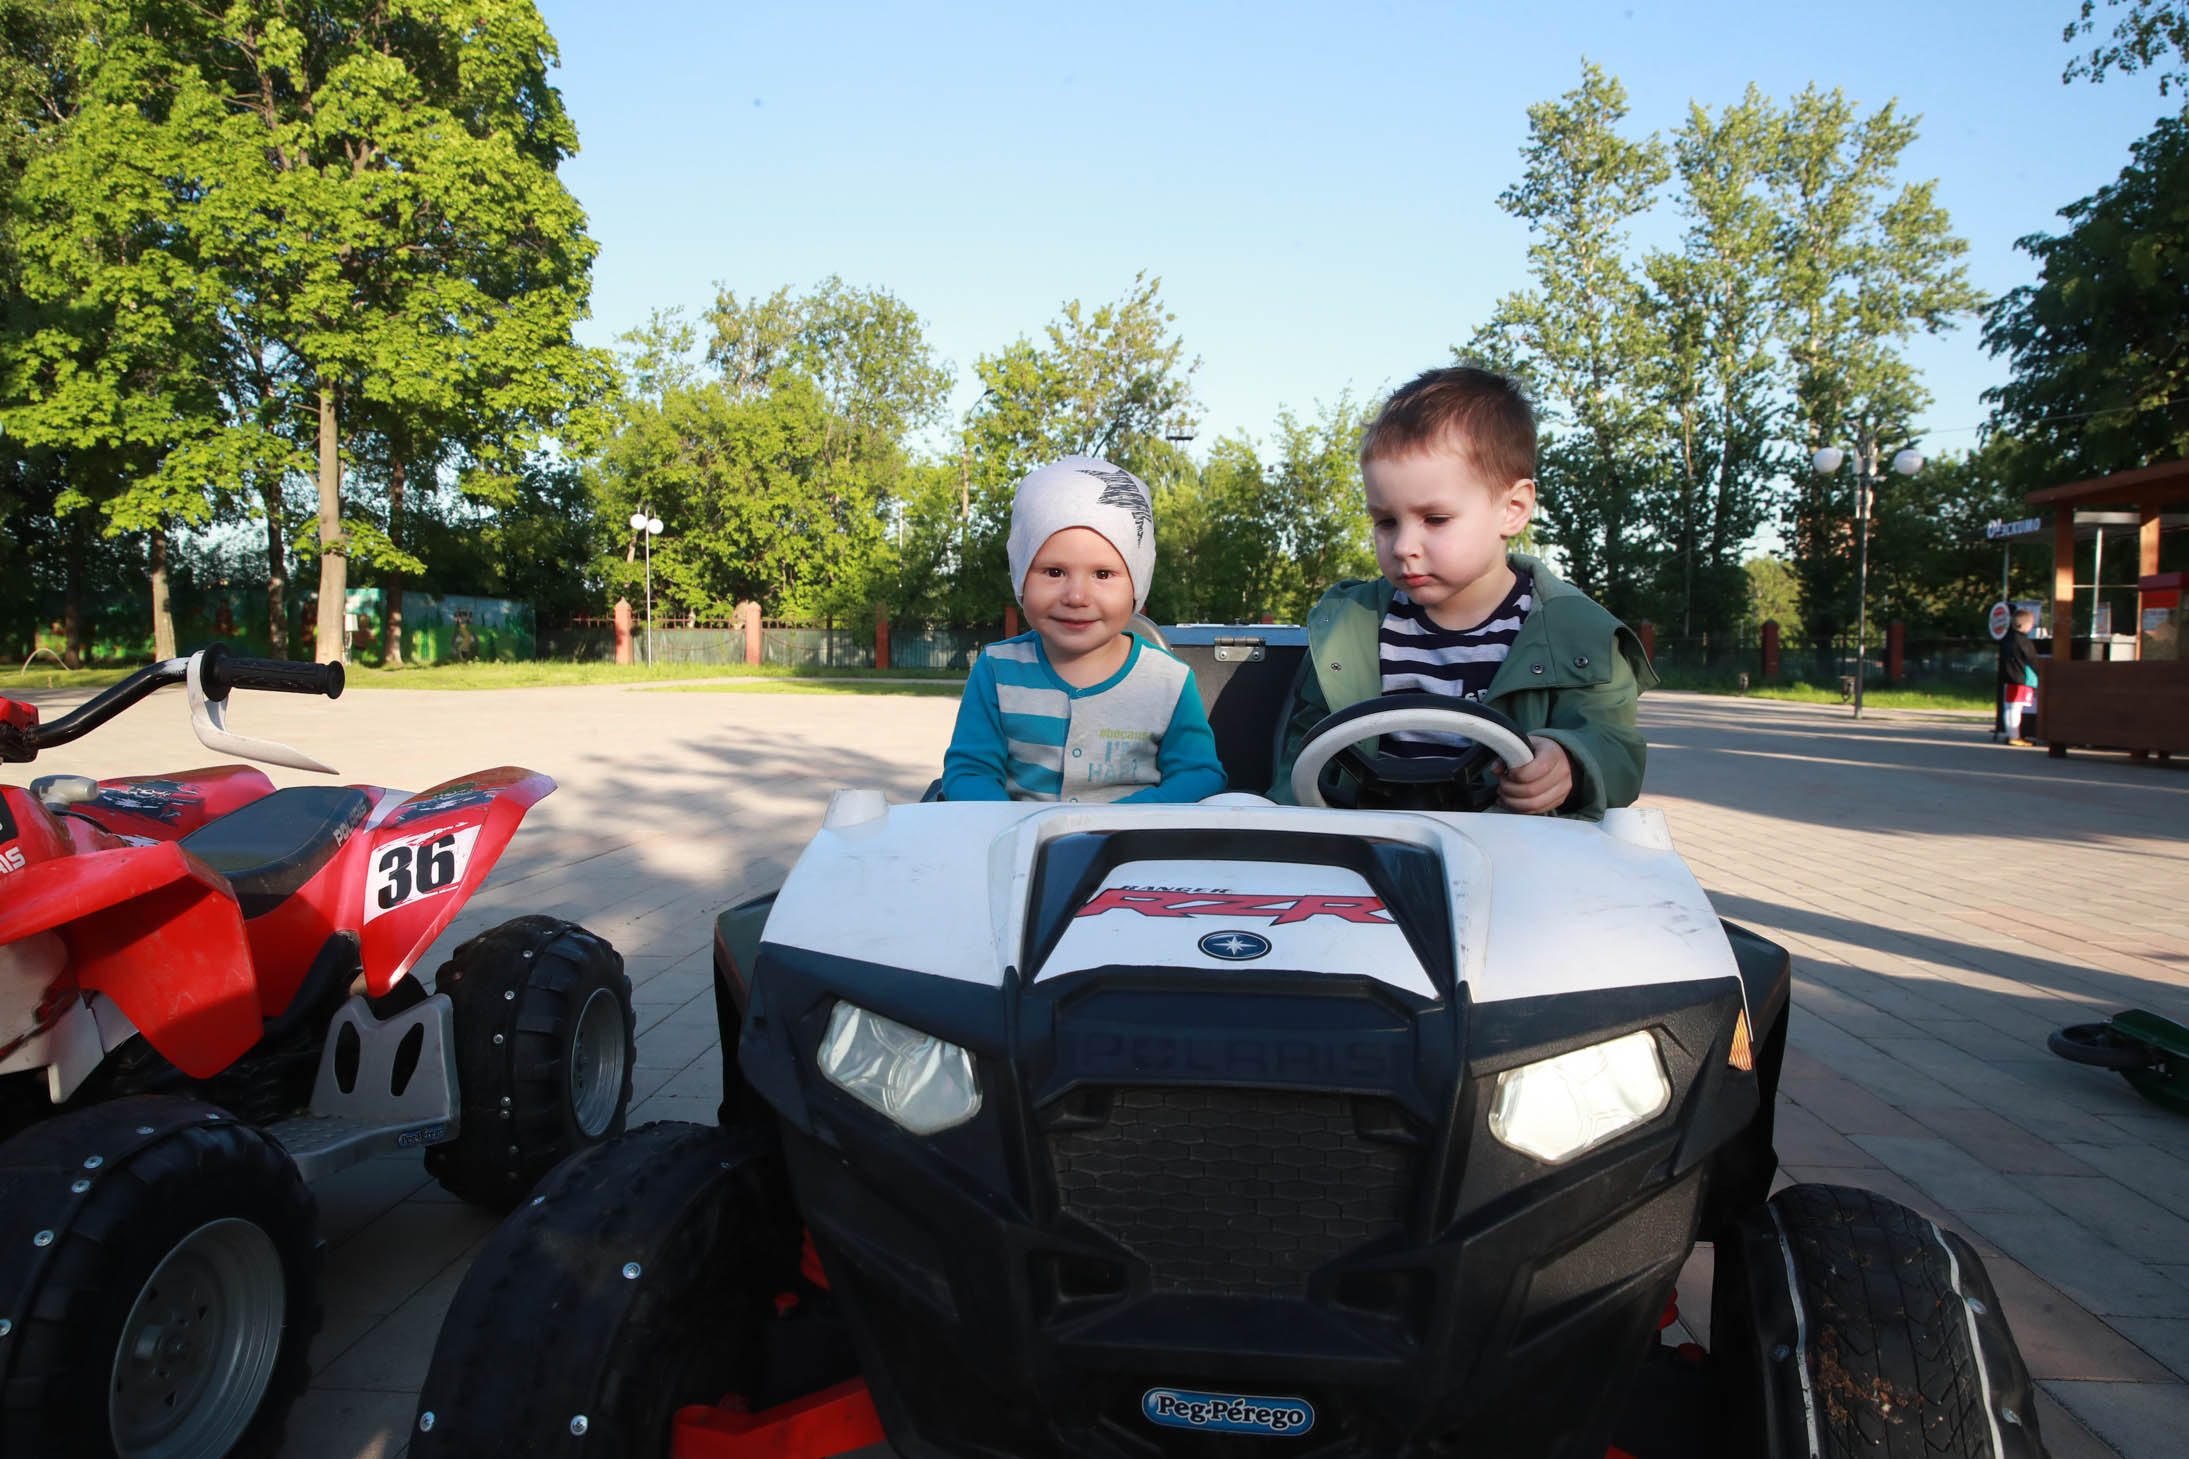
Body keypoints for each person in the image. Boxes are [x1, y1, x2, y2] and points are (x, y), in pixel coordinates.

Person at [1268, 365, 1654, 816]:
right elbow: (1303, 753)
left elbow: (1616, 748)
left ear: (1513, 509)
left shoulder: (1577, 634)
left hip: (1517, 843)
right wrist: (1284, 820)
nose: (1404, 547)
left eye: (1435, 519)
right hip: (1371, 838)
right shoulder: (1348, 628)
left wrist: (1571, 763)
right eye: (1386, 522)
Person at [941, 457, 1228, 804]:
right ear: (1021, 577)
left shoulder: (1169, 681)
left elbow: (1199, 774)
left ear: (1137, 585)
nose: (1076, 597)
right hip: (1021, 836)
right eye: (1054, 572)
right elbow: (970, 772)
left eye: (1103, 574)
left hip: (1131, 837)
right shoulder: (996, 670)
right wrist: (1008, 823)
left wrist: (1126, 818)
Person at [1999, 608, 2040, 746]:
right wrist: (2039, 672)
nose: (2031, 627)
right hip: (2022, 678)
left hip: (2009, 678)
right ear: (2024, 625)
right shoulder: (2024, 642)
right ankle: (2015, 737)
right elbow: (2032, 660)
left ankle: (2010, 734)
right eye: (2031, 624)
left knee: (2009, 707)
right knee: (2016, 708)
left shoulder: (2006, 639)